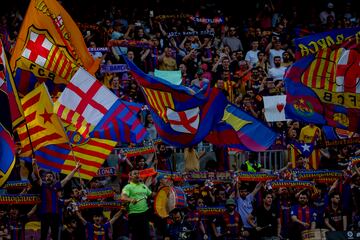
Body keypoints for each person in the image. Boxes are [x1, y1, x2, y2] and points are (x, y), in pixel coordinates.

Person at [32, 159, 81, 240]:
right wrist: (34, 164)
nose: (48, 178)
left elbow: (67, 179)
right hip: (44, 215)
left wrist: (75, 169)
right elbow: (37, 175)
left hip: (55, 215)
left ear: (54, 179)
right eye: (47, 176)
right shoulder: (42, 185)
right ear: (44, 178)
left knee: (55, 236)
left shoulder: (57, 186)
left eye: (50, 176)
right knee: (43, 235)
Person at [121, 170, 153, 240]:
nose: (137, 175)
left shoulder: (143, 186)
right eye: (135, 174)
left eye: (138, 173)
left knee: (146, 236)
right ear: (131, 176)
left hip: (144, 214)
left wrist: (162, 189)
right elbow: (123, 197)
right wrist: (130, 199)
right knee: (136, 236)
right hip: (134, 215)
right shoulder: (128, 187)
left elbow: (152, 195)